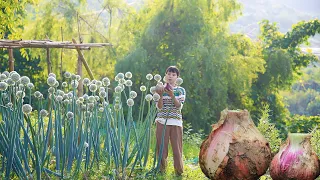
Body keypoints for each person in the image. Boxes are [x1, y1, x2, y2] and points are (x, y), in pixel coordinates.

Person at [155, 66, 186, 176]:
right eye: (169, 74)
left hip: (176, 122)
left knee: (177, 149)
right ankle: (161, 171)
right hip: (162, 121)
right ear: (165, 75)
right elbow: (159, 107)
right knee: (161, 148)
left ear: (177, 77)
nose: (170, 76)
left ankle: (179, 172)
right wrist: (160, 95)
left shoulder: (181, 90)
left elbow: (178, 106)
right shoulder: (159, 89)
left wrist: (172, 95)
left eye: (173, 75)